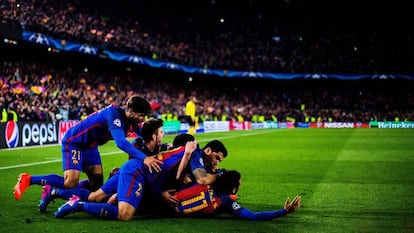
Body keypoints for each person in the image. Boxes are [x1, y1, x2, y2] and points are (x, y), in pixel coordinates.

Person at [13, 95, 163, 201]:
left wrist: (160, 145)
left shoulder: (132, 122)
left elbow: (145, 134)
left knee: (96, 183)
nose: (143, 119)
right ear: (130, 111)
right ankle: (28, 179)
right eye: (142, 115)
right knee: (70, 182)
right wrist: (145, 159)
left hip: (90, 146)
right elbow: (121, 143)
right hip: (75, 142)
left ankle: (53, 190)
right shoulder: (114, 115)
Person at [53, 136, 228, 220]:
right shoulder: (195, 152)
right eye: (217, 158)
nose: (217, 163)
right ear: (207, 151)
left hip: (137, 171)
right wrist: (221, 177)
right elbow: (202, 180)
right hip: (139, 174)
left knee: (95, 196)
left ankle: (54, 192)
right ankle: (78, 205)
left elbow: (179, 177)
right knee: (125, 214)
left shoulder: (188, 154)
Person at [38, 118, 166, 212]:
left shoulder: (160, 148)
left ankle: (62, 195)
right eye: (161, 132)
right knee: (97, 197)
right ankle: (59, 193)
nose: (164, 134)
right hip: (127, 177)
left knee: (96, 191)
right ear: (154, 136)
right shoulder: (137, 145)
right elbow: (133, 169)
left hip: (127, 177)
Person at [167, 169, 302, 220]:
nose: (240, 186)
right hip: (169, 212)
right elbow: (253, 216)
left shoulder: (206, 179)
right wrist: (283, 212)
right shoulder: (227, 203)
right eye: (239, 184)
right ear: (233, 188)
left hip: (161, 199)